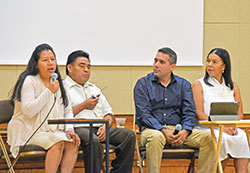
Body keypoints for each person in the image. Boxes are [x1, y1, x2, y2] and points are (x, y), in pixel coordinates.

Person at [134, 47, 215, 173]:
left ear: (172, 67)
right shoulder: (142, 84)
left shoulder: (184, 85)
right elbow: (144, 115)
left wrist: (186, 131)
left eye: (161, 62)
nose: (156, 65)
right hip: (152, 130)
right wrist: (163, 130)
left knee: (209, 137)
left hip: (178, 130)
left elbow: (189, 112)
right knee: (156, 137)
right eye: (155, 61)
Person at [7, 43, 80, 173]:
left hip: (53, 131)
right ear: (36, 64)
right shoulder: (30, 80)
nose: (50, 63)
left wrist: (69, 129)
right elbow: (28, 111)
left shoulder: (60, 83)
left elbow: (68, 109)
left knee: (73, 144)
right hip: (30, 130)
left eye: (53, 59)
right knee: (58, 143)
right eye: (45, 60)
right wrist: (48, 91)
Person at [64, 50, 136, 173]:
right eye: (82, 66)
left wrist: (105, 124)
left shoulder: (94, 88)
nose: (86, 70)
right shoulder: (62, 88)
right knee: (93, 140)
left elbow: (108, 114)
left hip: (98, 128)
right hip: (78, 128)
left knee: (129, 135)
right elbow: (61, 115)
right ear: (70, 68)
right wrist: (84, 105)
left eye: (88, 67)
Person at [192, 48, 250, 173]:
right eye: (208, 61)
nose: (209, 65)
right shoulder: (199, 84)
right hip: (209, 128)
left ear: (224, 66)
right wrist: (220, 126)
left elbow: (239, 114)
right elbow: (199, 113)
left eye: (214, 62)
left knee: (242, 136)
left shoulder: (233, 86)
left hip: (230, 128)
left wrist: (232, 126)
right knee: (221, 139)